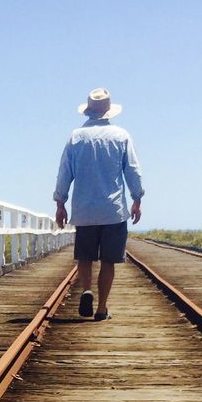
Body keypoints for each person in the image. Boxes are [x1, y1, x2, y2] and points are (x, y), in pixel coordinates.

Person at [53, 88, 145, 321]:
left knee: (85, 257)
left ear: (88, 111)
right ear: (108, 111)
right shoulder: (121, 135)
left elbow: (65, 172)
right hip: (113, 211)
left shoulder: (75, 137)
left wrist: (60, 202)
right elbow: (132, 170)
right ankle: (102, 308)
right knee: (108, 261)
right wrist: (137, 198)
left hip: (84, 211)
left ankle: (86, 290)